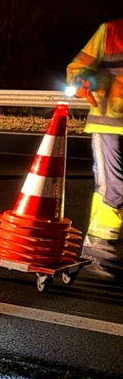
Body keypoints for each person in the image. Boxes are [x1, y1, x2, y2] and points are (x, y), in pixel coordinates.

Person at [67, 17, 123, 280]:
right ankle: (99, 252)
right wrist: (85, 81)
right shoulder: (111, 30)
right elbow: (77, 69)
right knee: (114, 188)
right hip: (110, 124)